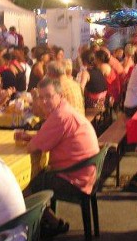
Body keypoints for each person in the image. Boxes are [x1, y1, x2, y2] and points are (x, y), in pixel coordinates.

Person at [17, 78, 100, 232]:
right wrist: (31, 136)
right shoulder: (65, 110)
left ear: (60, 95)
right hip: (87, 173)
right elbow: (49, 137)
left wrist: (30, 140)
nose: (44, 101)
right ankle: (51, 222)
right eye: (41, 97)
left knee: (23, 185)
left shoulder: (59, 116)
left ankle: (42, 227)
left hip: (75, 179)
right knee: (39, 175)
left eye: (49, 96)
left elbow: (32, 148)